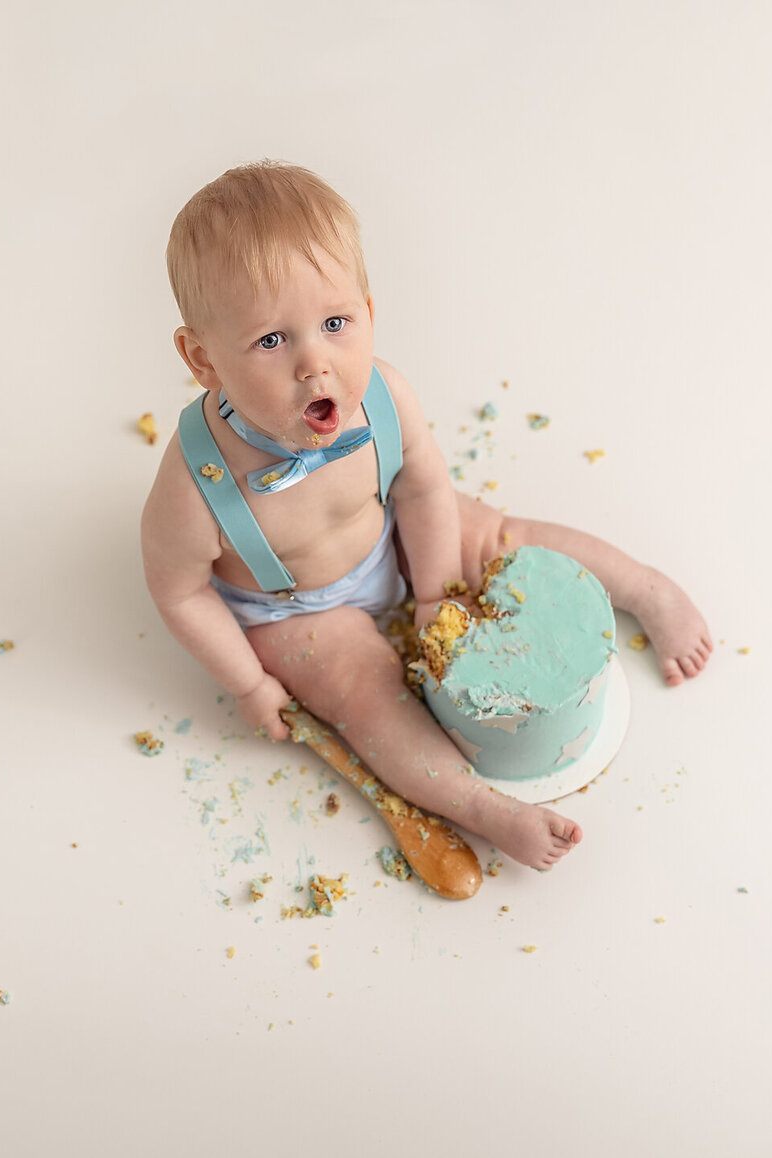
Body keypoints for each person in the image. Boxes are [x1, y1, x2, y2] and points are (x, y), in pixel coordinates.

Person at [141, 161, 711, 870]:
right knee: (366, 694)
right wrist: (249, 682)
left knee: (499, 534)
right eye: (270, 341)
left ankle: (643, 588)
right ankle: (483, 808)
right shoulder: (198, 483)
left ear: (370, 312)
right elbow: (180, 589)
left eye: (335, 323)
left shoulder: (386, 397)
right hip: (293, 608)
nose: (316, 363)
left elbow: (422, 492)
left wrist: (437, 585)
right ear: (203, 359)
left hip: (392, 538)